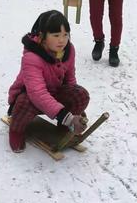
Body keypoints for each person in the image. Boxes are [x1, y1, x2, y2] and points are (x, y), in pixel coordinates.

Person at [7, 10, 90, 153]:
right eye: (56, 35)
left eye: (65, 35)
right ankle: (16, 130)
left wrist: (77, 111)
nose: (62, 40)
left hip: (54, 93)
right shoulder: (32, 58)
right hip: (30, 97)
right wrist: (67, 116)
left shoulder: (69, 50)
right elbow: (37, 94)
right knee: (25, 100)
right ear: (42, 37)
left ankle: (65, 128)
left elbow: (70, 80)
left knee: (80, 94)